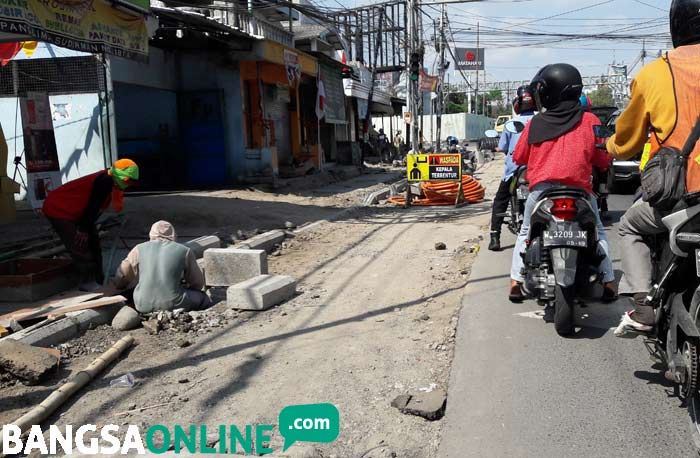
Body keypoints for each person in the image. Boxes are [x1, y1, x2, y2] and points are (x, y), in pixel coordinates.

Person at [607, 0, 700, 335]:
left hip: (682, 198)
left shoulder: (655, 73)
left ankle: (644, 306)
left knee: (630, 226)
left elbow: (627, 142)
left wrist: (610, 147)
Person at [509, 63, 617, 304]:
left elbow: (518, 157)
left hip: (543, 193)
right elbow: (603, 157)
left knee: (525, 231)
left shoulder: (536, 123)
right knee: (598, 232)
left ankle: (515, 282)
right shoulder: (589, 120)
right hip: (580, 192)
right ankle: (609, 282)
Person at [42, 159, 139, 287]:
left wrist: (87, 229)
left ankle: (99, 281)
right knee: (81, 247)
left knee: (94, 245)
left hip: (78, 212)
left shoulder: (111, 181)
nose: (129, 185)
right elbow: (92, 206)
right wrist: (82, 230)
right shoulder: (105, 181)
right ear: (122, 176)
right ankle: (87, 285)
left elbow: (93, 210)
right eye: (128, 181)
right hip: (59, 208)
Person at [107, 221, 209, 314]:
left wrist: (120, 285)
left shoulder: (138, 248)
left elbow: (124, 271)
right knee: (203, 298)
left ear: (151, 234)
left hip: (142, 304)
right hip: (174, 304)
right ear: (173, 235)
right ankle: (178, 311)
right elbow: (197, 283)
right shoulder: (185, 251)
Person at [489, 85, 538, 251]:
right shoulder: (542, 121)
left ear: (517, 103)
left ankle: (495, 237)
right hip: (538, 171)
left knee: (500, 201)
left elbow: (503, 147)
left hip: (514, 172)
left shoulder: (511, 123)